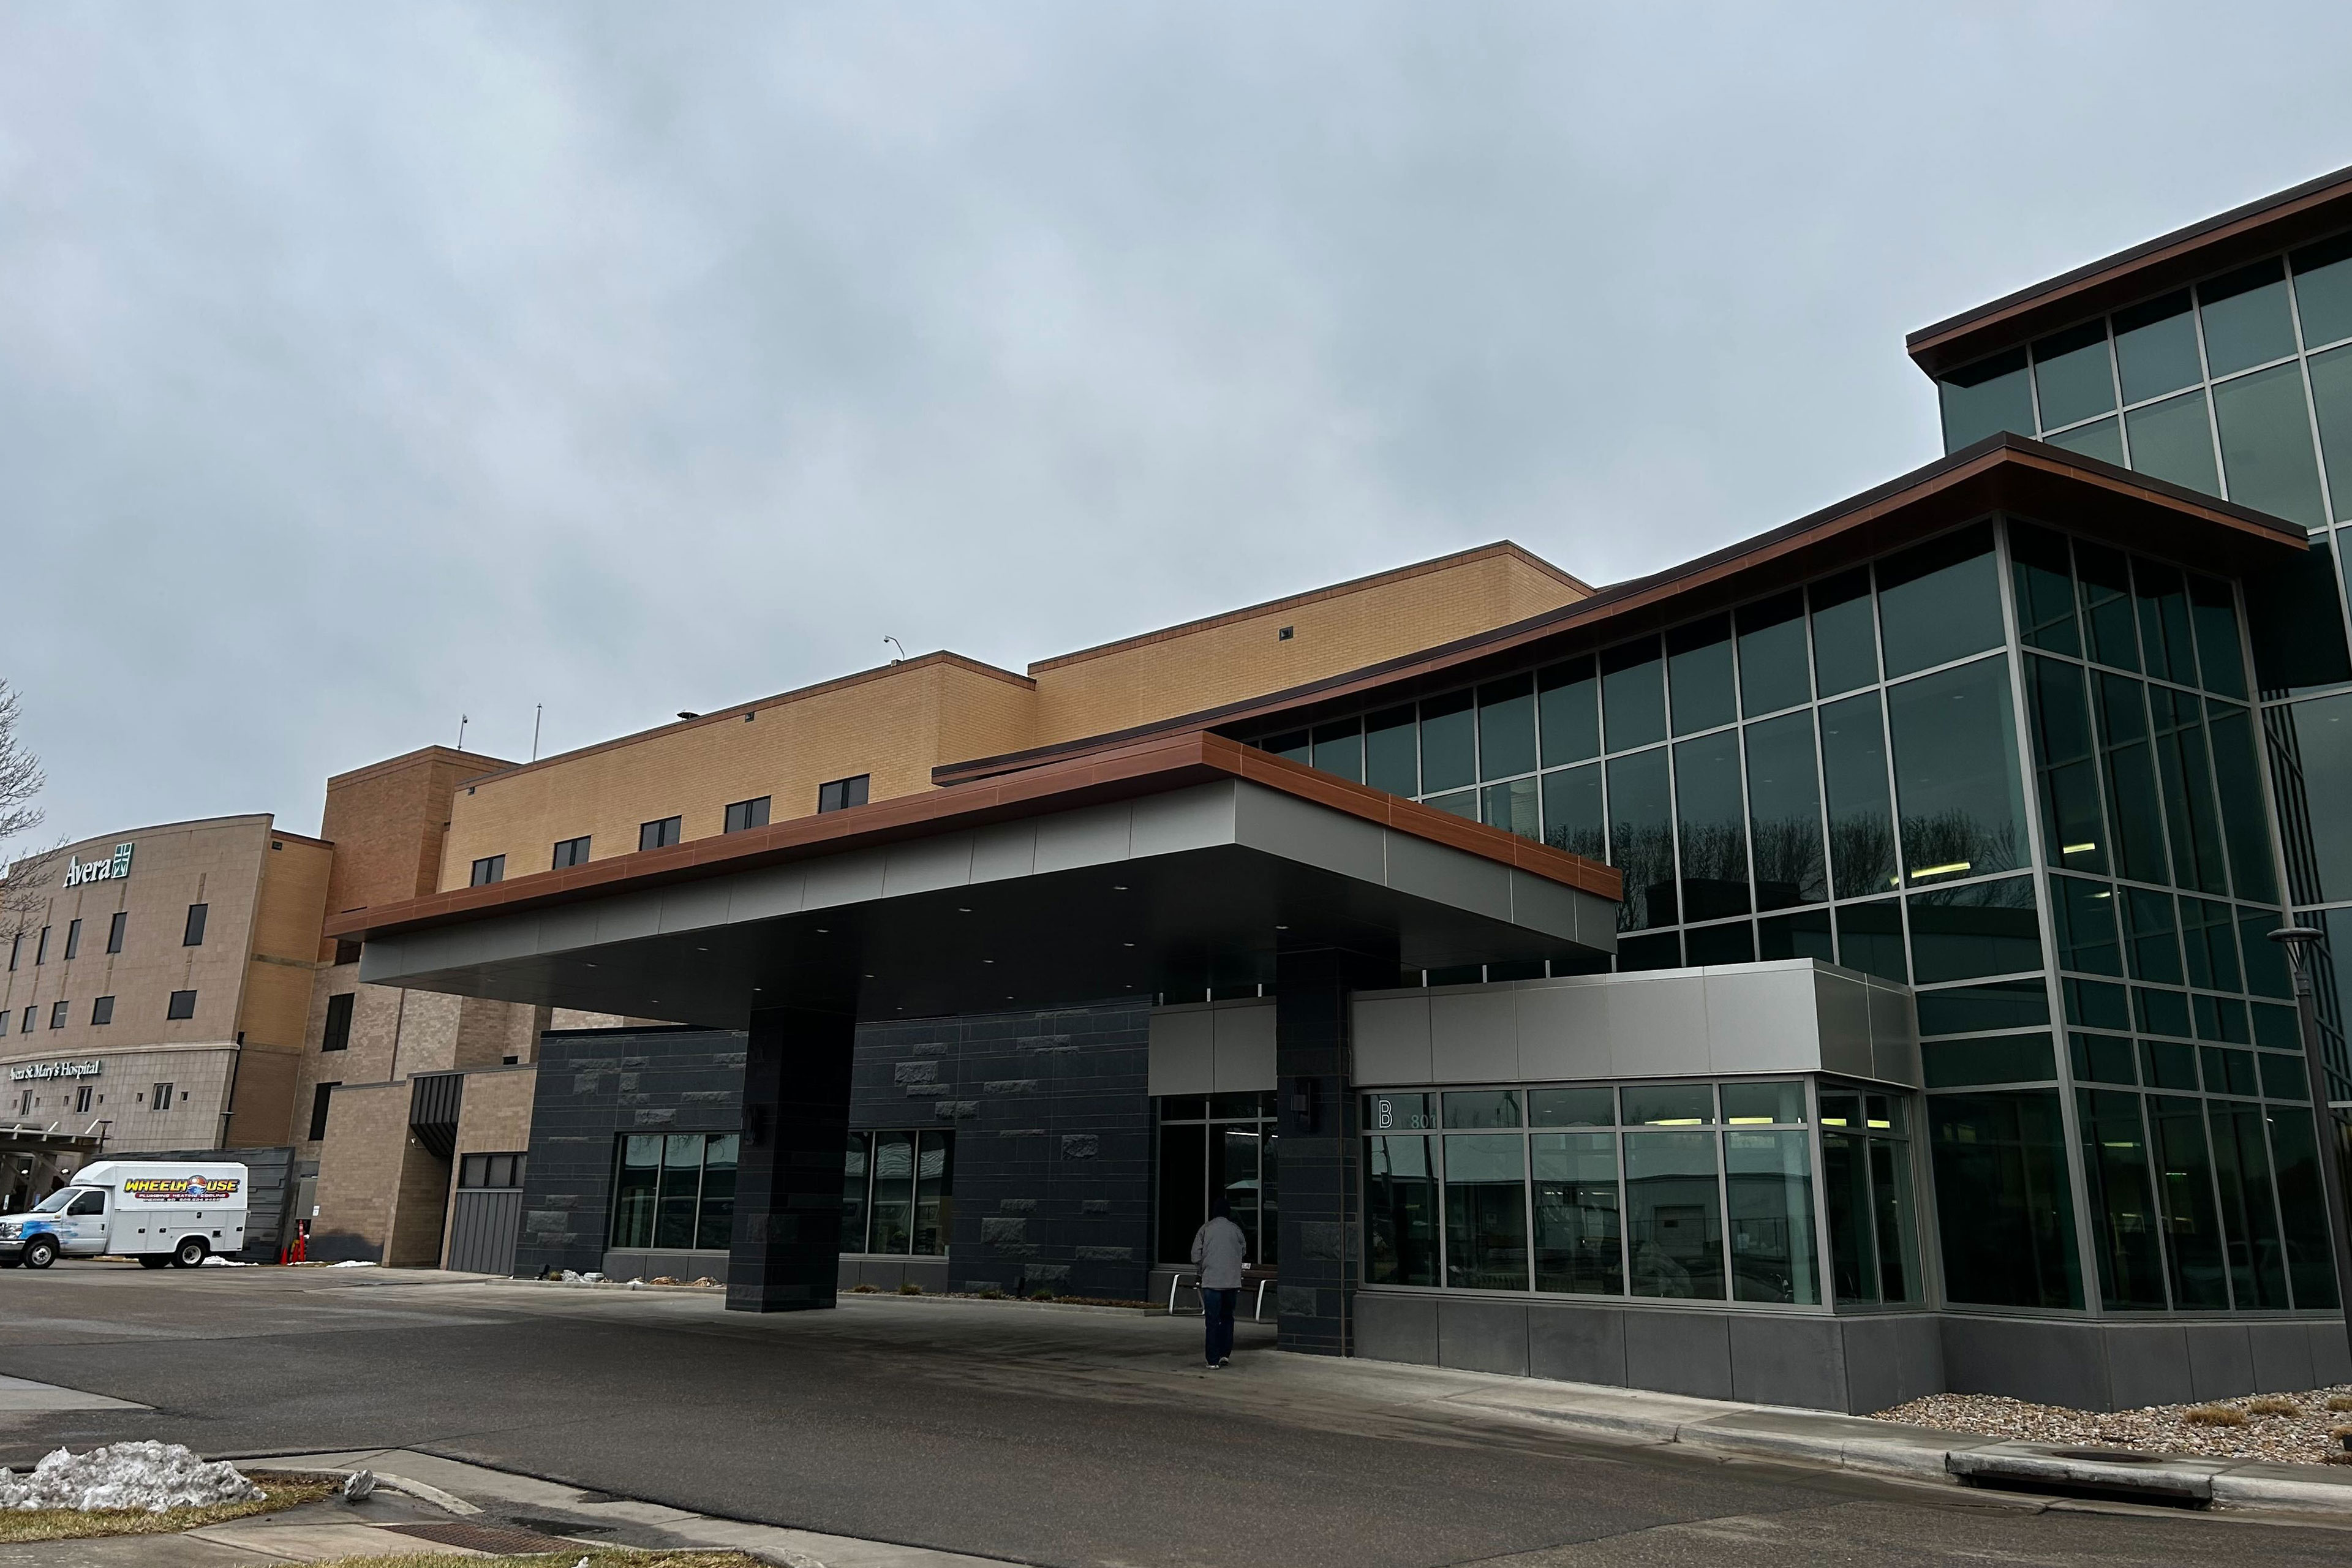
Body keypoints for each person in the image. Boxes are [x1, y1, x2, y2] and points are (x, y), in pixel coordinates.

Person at [1189, 1197, 1248, 1369]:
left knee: (1212, 1321)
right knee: (1228, 1318)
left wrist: (1201, 1270)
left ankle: (1212, 1360)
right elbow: (1243, 1249)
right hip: (1231, 1282)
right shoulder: (1235, 1229)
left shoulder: (1206, 1229)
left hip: (1212, 1282)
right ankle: (1225, 1354)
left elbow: (1195, 1255)